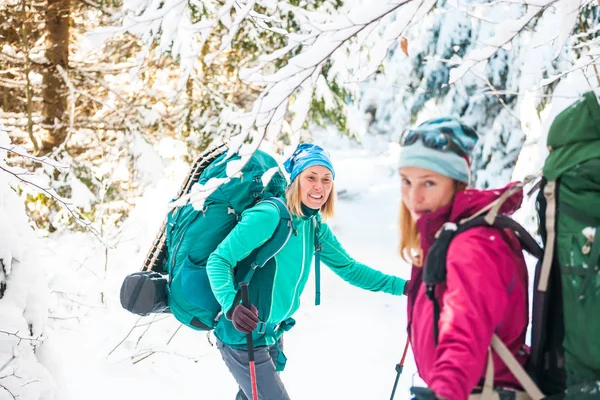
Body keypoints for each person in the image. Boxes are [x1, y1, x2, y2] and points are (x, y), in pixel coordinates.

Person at [206, 143, 407, 400]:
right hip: (242, 334)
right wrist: (231, 305)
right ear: (296, 180)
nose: (319, 186)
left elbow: (350, 269)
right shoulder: (269, 216)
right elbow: (219, 260)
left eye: (326, 179)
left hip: (271, 334)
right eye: (311, 177)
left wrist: (404, 287)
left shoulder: (313, 225)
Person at [397, 117, 530, 400]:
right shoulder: (444, 234)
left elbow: (463, 333)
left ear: (457, 184)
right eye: (406, 181)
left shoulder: (473, 245)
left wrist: (445, 392)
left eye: (429, 183)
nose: (413, 196)